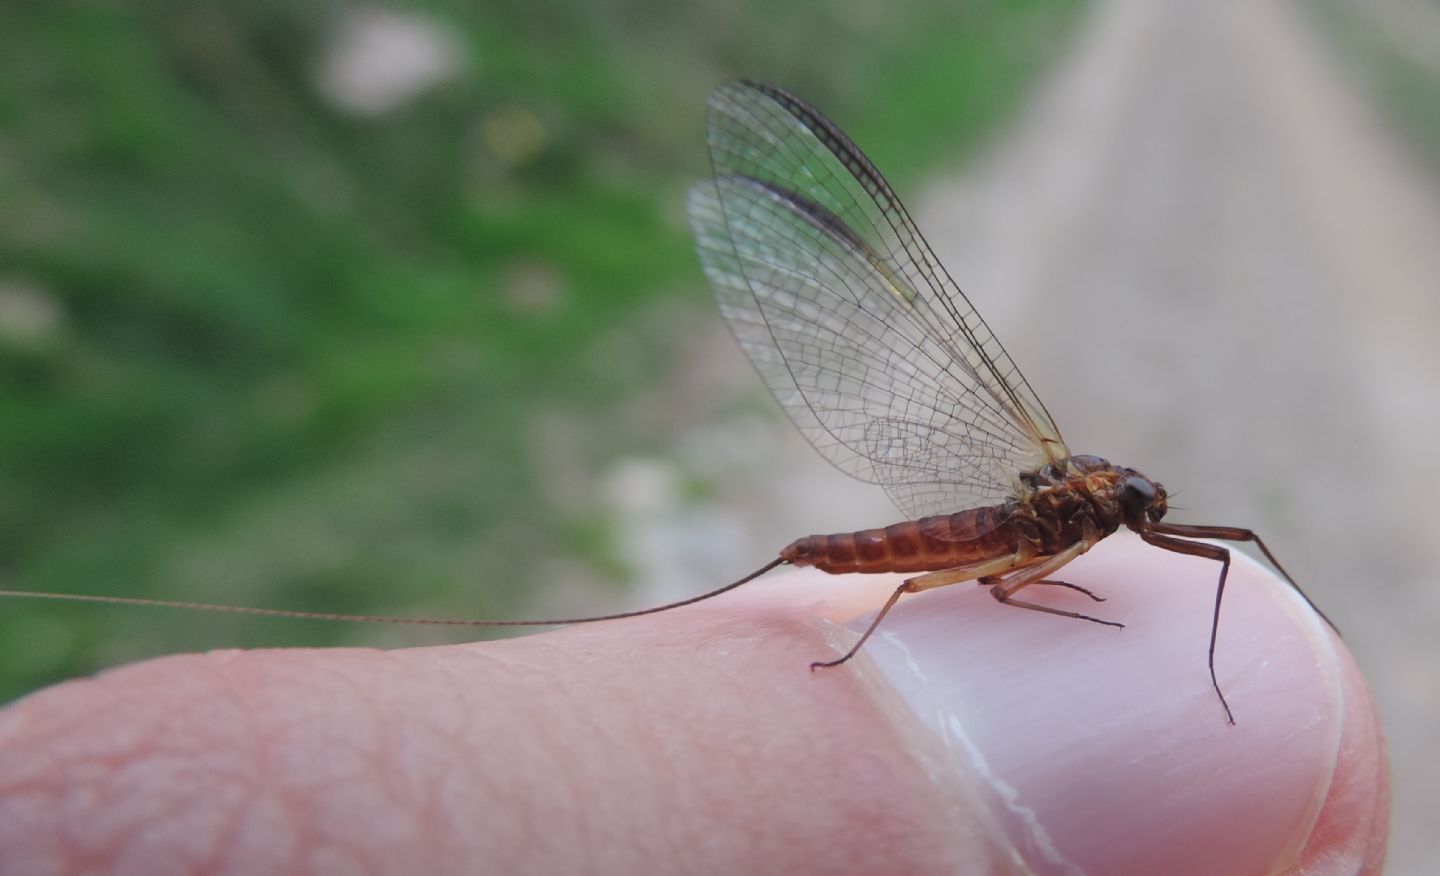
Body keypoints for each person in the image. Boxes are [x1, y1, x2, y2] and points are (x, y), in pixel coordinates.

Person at [0, 536, 1387, 874]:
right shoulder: (1031, 535)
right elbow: (991, 589)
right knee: (899, 598)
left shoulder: (1075, 536)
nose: (1142, 527)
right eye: (1134, 518)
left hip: (922, 554)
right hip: (878, 560)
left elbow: (1026, 589)